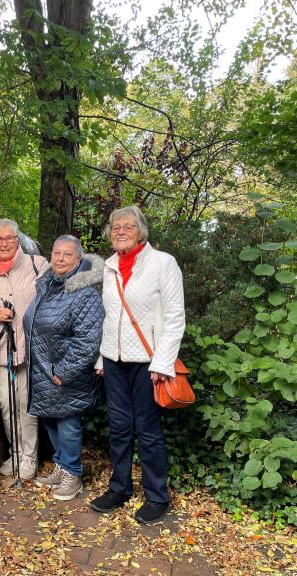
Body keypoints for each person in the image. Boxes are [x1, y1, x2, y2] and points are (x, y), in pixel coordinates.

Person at [91, 206, 185, 524]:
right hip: (115, 362)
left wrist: (163, 362)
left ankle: (157, 496)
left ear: (141, 230)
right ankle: (120, 488)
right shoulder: (110, 266)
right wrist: (103, 356)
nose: (120, 231)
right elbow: (109, 318)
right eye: (116, 226)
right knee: (118, 428)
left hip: (148, 363)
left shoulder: (163, 264)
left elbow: (175, 318)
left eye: (128, 226)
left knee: (147, 431)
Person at [24, 236, 105, 501]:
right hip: (44, 370)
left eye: (67, 255)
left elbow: (88, 340)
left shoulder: (85, 293)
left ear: (78, 259)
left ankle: (73, 473)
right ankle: (61, 466)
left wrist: (64, 371)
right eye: (56, 253)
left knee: (68, 422)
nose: (60, 259)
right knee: (50, 419)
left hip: (64, 373)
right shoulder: (47, 286)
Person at [0, 218, 49, 480]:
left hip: (31, 349)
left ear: (18, 240)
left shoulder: (36, 265)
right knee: (6, 404)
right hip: (2, 350)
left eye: (9, 238)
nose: (4, 243)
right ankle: (15, 453)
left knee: (27, 403)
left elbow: (52, 301)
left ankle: (29, 457)